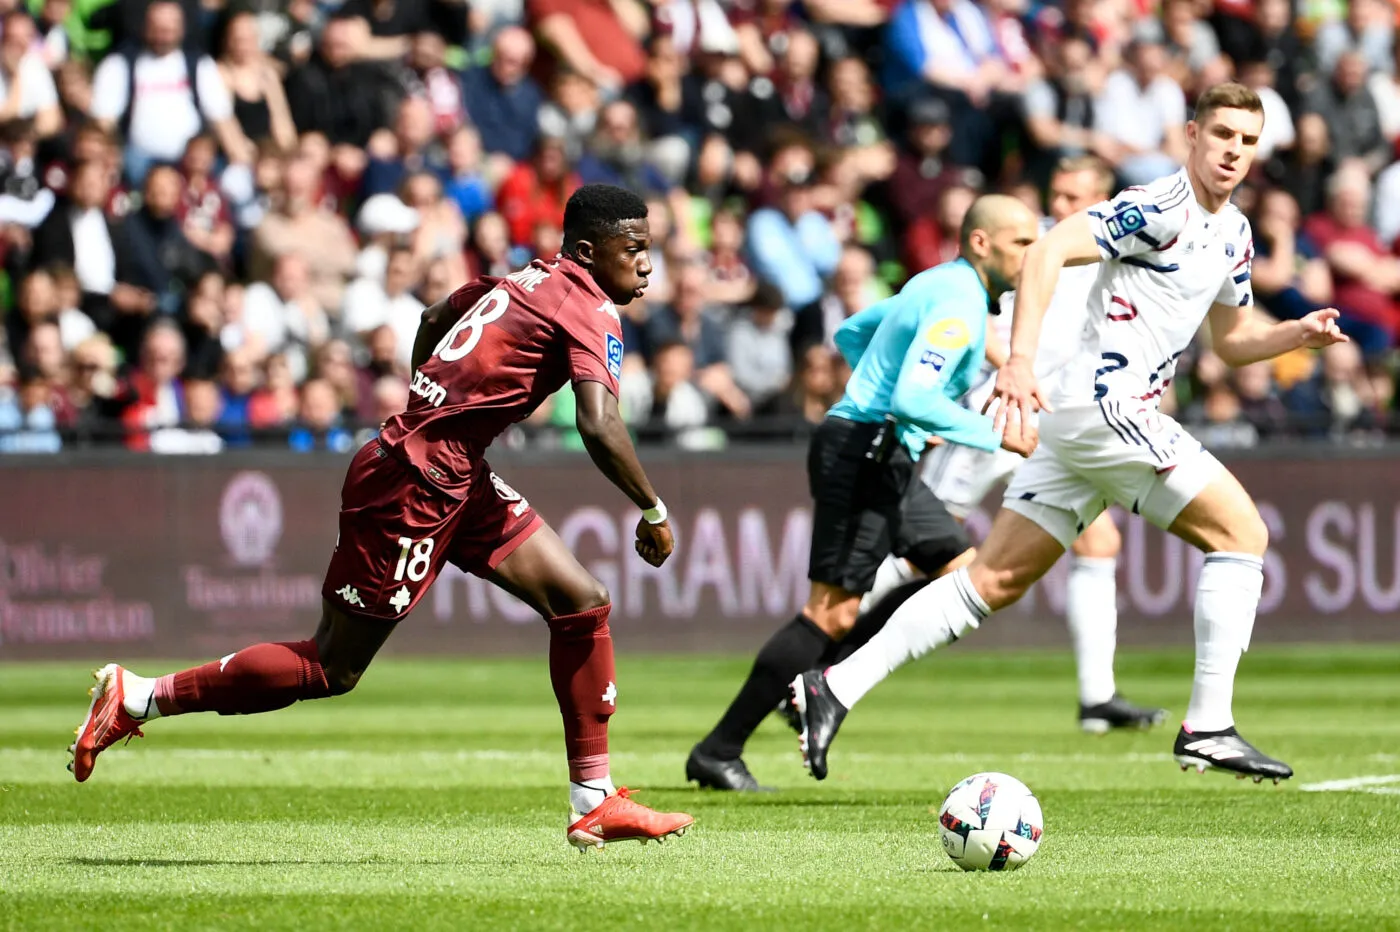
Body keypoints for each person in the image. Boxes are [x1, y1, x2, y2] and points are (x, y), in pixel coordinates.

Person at [69, 184, 695, 851]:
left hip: (452, 471)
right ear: (587, 250)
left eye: (648, 250)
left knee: (581, 602)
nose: (647, 266)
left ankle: (593, 800)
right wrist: (653, 509)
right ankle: (140, 697)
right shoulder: (589, 306)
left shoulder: (520, 278)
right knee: (332, 668)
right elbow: (599, 424)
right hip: (414, 486)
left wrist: (431, 401)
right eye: (634, 250)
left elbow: (432, 316)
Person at [793, 83, 1348, 785]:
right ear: (1191, 136)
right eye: (1222, 135)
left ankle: (833, 686)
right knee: (1244, 536)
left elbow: (1232, 342)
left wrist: (1292, 334)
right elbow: (1048, 249)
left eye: (1246, 139)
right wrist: (1020, 361)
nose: (1233, 150)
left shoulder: (1234, 235)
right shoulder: (1156, 208)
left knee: (990, 579)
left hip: (1077, 430)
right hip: (1106, 409)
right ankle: (1208, 725)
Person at [686, 194, 1040, 792]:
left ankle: (822, 686)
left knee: (960, 568)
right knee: (831, 610)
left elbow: (854, 332)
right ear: (982, 242)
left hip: (878, 446)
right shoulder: (957, 302)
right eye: (1023, 243)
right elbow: (912, 400)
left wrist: (874, 392)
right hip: (867, 451)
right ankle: (721, 748)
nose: (1033, 257)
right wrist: (992, 435)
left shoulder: (937, 285)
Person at [859, 156, 1167, 734]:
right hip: (996, 411)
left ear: (1104, 202)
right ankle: (826, 646)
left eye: (1076, 198)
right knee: (919, 552)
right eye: (1058, 194)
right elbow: (983, 326)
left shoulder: (1105, 255)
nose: (1062, 208)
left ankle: (1097, 697)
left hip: (1050, 419)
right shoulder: (1034, 251)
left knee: (1099, 541)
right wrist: (1013, 373)